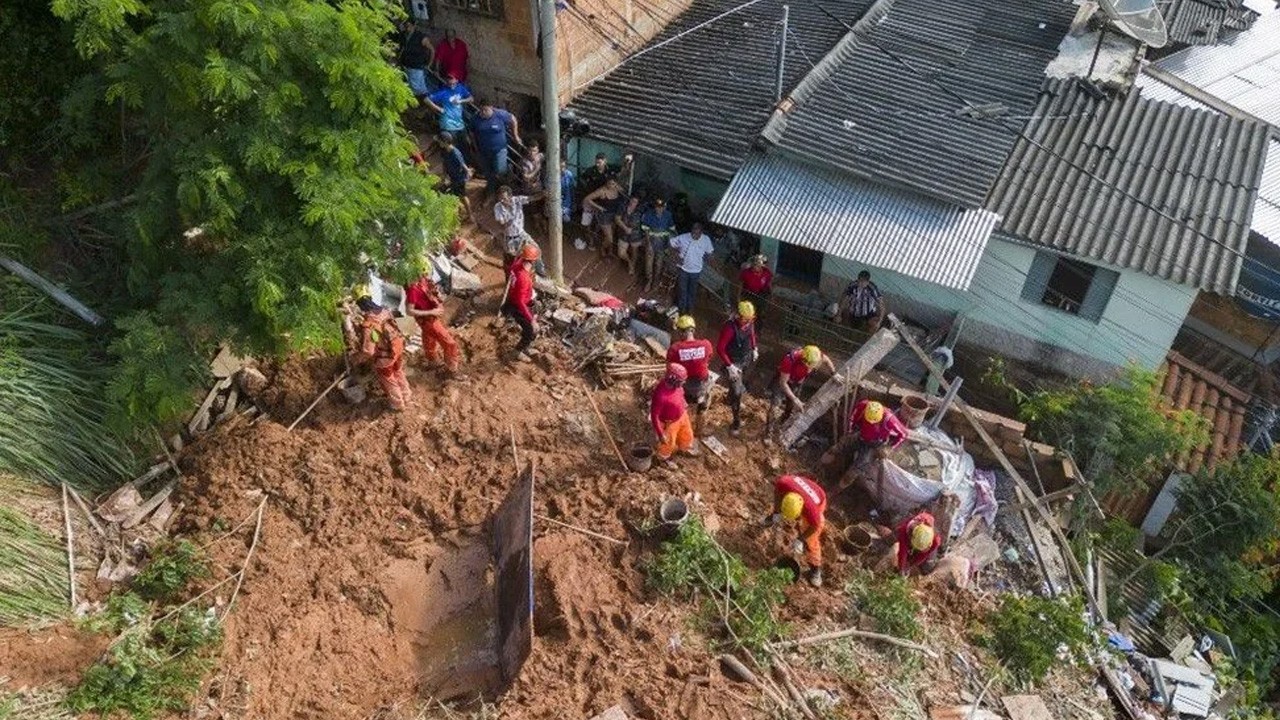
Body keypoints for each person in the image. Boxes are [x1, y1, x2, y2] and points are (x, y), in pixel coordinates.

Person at [344, 287, 411, 412]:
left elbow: (368, 351)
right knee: (398, 371)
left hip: (386, 355)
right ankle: (406, 396)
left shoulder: (369, 324)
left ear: (360, 305)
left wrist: (355, 358)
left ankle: (397, 405)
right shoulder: (384, 310)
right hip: (397, 346)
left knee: (389, 379)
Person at [764, 474, 827, 587]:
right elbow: (778, 494)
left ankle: (815, 569)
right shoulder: (783, 483)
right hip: (801, 490)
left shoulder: (812, 512)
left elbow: (815, 526)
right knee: (778, 512)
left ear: (801, 511)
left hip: (819, 498)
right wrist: (776, 514)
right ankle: (772, 517)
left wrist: (801, 539)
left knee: (811, 540)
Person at [765, 345, 838, 437]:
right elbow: (783, 383)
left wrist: (834, 374)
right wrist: (795, 399)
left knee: (790, 407)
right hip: (783, 381)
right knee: (775, 406)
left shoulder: (816, 355)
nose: (812, 368)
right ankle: (768, 432)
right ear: (804, 361)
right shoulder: (790, 360)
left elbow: (827, 360)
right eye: (811, 365)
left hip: (797, 383)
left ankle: (782, 423)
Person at [404, 270, 461, 376]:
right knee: (450, 344)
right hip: (429, 320)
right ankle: (452, 371)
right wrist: (432, 311)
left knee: (429, 339)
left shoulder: (424, 280)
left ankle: (433, 361)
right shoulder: (413, 289)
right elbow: (409, 311)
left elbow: (431, 292)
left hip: (430, 319)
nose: (426, 272)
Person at [667, 315, 715, 435]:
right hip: (701, 386)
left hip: (684, 388)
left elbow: (670, 369)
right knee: (705, 400)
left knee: (680, 408)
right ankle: (700, 429)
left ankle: (680, 429)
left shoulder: (675, 349)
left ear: (680, 332)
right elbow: (708, 359)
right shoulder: (706, 345)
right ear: (693, 330)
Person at [717, 301, 759, 436]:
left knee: (740, 382)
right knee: (737, 392)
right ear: (738, 316)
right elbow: (720, 349)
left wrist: (754, 348)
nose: (747, 322)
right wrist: (730, 366)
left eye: (750, 319)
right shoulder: (730, 328)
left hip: (745, 357)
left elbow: (751, 334)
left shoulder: (749, 324)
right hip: (734, 362)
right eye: (745, 319)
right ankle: (736, 422)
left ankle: (729, 399)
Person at [651, 363, 698, 467]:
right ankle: (663, 459)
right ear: (673, 380)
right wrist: (660, 434)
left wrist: (684, 406)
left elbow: (681, 397)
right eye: (682, 381)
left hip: (682, 416)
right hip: (669, 423)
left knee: (687, 434)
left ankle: (684, 448)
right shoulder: (661, 396)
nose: (684, 383)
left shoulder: (677, 388)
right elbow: (654, 416)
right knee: (668, 444)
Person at [471, 101, 522, 197]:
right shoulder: (475, 118)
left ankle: (505, 187)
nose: (483, 113)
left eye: (485, 110)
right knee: (488, 172)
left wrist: (515, 135)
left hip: (500, 150)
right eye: (481, 110)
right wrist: (475, 146)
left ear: (491, 108)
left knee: (500, 170)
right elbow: (472, 133)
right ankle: (491, 190)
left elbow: (513, 119)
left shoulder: (500, 114)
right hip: (483, 151)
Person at [502, 244, 540, 361]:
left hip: (516, 300)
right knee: (530, 331)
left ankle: (526, 347)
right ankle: (517, 352)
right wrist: (532, 320)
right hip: (518, 306)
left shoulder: (516, 265)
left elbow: (519, 259)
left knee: (532, 327)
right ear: (533, 261)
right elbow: (520, 301)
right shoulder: (523, 277)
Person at [494, 185, 543, 274]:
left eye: (504, 198)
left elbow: (532, 198)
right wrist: (511, 217)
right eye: (500, 198)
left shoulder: (517, 200)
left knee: (536, 249)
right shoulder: (497, 207)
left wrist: (544, 193)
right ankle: (512, 279)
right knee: (511, 261)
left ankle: (541, 272)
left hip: (521, 234)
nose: (502, 200)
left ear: (510, 196)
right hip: (509, 238)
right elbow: (503, 225)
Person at [669, 222, 715, 315]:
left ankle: (689, 310)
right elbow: (671, 243)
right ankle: (681, 310)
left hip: (696, 271)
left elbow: (710, 254)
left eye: (697, 234)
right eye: (693, 233)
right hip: (683, 269)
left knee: (692, 292)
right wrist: (676, 256)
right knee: (682, 290)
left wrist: (711, 262)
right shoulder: (684, 237)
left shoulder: (706, 240)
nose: (694, 235)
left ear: (701, 232)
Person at [582, 178, 626, 259]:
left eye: (613, 184)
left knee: (611, 233)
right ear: (606, 183)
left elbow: (624, 192)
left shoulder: (617, 188)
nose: (611, 185)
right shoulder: (602, 191)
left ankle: (610, 252)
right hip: (604, 216)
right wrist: (598, 207)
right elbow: (587, 199)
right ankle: (602, 248)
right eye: (609, 183)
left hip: (614, 215)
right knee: (610, 238)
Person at [640, 197, 675, 292]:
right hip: (651, 242)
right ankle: (649, 281)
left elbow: (671, 231)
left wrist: (668, 246)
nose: (658, 209)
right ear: (654, 206)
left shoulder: (668, 215)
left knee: (658, 264)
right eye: (657, 207)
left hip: (662, 244)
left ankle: (655, 282)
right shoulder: (648, 214)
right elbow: (646, 230)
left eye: (661, 207)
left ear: (664, 207)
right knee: (648, 264)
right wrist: (649, 245)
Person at [425, 75, 472, 145]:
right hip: (447, 124)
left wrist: (461, 101)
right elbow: (426, 99)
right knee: (451, 145)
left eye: (453, 83)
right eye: (449, 83)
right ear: (447, 82)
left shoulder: (460, 88)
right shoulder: (443, 92)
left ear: (457, 80)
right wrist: (438, 108)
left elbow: (471, 98)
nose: (451, 85)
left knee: (465, 145)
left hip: (460, 123)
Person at [437, 132, 473, 220]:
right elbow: (444, 164)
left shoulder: (455, 153)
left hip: (459, 179)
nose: (438, 143)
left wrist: (468, 171)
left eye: (440, 141)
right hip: (452, 177)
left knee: (462, 196)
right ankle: (461, 213)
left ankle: (469, 215)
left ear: (445, 142)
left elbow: (462, 164)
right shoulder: (444, 151)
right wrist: (444, 176)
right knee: (455, 196)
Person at [398, 20, 435, 104]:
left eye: (409, 26)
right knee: (413, 87)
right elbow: (403, 49)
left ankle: (426, 104)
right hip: (407, 65)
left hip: (417, 66)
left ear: (414, 26)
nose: (408, 28)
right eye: (406, 26)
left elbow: (432, 50)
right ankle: (421, 105)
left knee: (418, 89)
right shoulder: (404, 36)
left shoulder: (421, 37)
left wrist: (429, 64)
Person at [895, 511, 940, 575]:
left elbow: (924, 555)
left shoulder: (935, 541)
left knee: (927, 566)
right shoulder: (905, 529)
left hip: (921, 544)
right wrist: (901, 568)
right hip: (910, 534)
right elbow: (902, 551)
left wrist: (910, 565)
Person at [739, 254, 773, 330]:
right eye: (754, 264)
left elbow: (769, 285)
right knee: (747, 312)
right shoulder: (746, 273)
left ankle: (758, 330)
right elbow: (741, 284)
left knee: (761, 314)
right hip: (749, 294)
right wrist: (739, 297)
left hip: (761, 295)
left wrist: (771, 296)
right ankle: (745, 328)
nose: (755, 266)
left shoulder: (767, 273)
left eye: (758, 264)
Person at [615, 196, 645, 277]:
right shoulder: (623, 207)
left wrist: (643, 236)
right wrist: (625, 228)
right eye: (632, 200)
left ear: (638, 204)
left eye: (635, 202)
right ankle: (629, 262)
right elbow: (617, 219)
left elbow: (644, 225)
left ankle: (632, 267)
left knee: (634, 252)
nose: (633, 203)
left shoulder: (640, 212)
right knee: (621, 253)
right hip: (623, 234)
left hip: (636, 235)